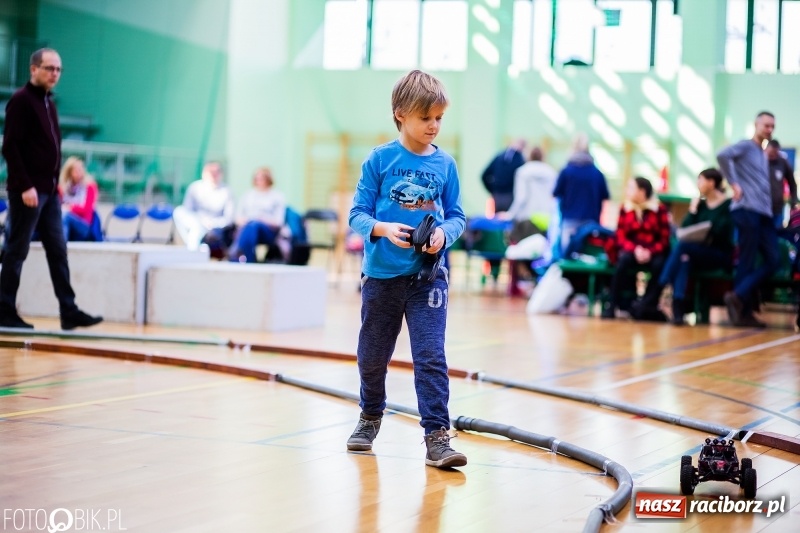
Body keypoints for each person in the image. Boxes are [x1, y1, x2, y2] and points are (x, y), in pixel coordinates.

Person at [347, 69, 467, 469]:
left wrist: (443, 236)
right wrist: (381, 228)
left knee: (431, 355)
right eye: (425, 118)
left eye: (439, 118)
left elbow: (458, 217)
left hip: (427, 279)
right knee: (373, 354)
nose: (433, 126)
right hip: (382, 278)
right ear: (400, 114)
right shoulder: (379, 160)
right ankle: (369, 416)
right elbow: (357, 214)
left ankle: (437, 436)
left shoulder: (446, 165)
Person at [0, 48, 103, 330]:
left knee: (58, 249)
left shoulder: (49, 102)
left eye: (58, 69)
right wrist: (24, 186)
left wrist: (54, 185)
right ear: (33, 69)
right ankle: (4, 309)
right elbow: (11, 147)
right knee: (16, 250)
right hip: (29, 192)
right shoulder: (21, 101)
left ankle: (68, 311)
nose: (54, 74)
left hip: (50, 193)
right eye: (49, 68)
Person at [717, 111, 779, 328]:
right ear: (756, 125)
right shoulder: (745, 146)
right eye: (766, 125)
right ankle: (741, 312)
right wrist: (734, 184)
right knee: (747, 259)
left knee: (773, 260)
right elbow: (722, 155)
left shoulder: (762, 153)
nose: (769, 130)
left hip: (763, 213)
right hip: (746, 209)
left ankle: (739, 295)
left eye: (772, 126)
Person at [656, 168, 734, 325]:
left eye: (700, 180)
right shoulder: (701, 205)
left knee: (683, 248)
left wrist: (706, 232)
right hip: (696, 252)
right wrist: (692, 210)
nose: (698, 184)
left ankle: (663, 282)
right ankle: (678, 310)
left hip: (718, 254)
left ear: (711, 183)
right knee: (684, 259)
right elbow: (685, 229)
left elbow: (722, 232)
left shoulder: (728, 205)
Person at [602, 177, 671, 320]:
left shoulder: (659, 209)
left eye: (631, 188)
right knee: (622, 262)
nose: (627, 191)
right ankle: (612, 304)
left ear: (642, 191)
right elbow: (620, 235)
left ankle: (646, 304)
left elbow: (664, 238)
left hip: (652, 251)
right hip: (632, 250)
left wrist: (649, 251)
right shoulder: (625, 208)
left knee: (660, 265)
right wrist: (635, 249)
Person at [552, 133, 610, 259]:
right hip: (591, 222)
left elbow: (556, 193)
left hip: (570, 221)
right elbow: (605, 196)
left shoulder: (567, 171)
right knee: (588, 257)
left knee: (567, 258)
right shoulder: (597, 174)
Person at [173, 161, 235, 256]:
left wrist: (213, 223)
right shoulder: (194, 187)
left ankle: (192, 253)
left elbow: (228, 219)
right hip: (196, 222)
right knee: (179, 212)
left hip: (215, 228)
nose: (214, 175)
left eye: (217, 172)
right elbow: (187, 210)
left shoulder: (226, 191)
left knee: (197, 229)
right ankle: (194, 250)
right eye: (211, 171)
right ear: (204, 173)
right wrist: (201, 221)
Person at [228, 167, 288, 263]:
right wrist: (247, 220)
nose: (259, 181)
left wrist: (261, 219)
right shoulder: (248, 195)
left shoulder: (277, 196)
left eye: (262, 178)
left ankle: (240, 256)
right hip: (248, 228)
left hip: (268, 231)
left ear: (269, 179)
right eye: (257, 178)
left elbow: (278, 222)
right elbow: (238, 218)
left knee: (254, 225)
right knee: (251, 226)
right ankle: (245, 256)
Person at [60, 156, 100, 242]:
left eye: (81, 169)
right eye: (76, 170)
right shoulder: (63, 188)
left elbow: (86, 209)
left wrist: (69, 208)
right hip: (66, 222)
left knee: (65, 215)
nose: (80, 172)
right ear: (69, 172)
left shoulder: (90, 186)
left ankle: (61, 248)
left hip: (85, 227)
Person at [481, 138, 526, 212]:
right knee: (511, 221)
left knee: (498, 221)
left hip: (497, 196)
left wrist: (493, 190)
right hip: (511, 197)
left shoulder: (499, 157)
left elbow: (484, 175)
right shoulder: (520, 160)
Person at [765, 139, 798, 228]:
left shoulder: (782, 162)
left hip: (777, 208)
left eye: (775, 153)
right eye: (771, 153)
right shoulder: (761, 161)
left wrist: (793, 200)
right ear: (766, 150)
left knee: (776, 235)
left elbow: (792, 182)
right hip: (761, 207)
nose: (773, 156)